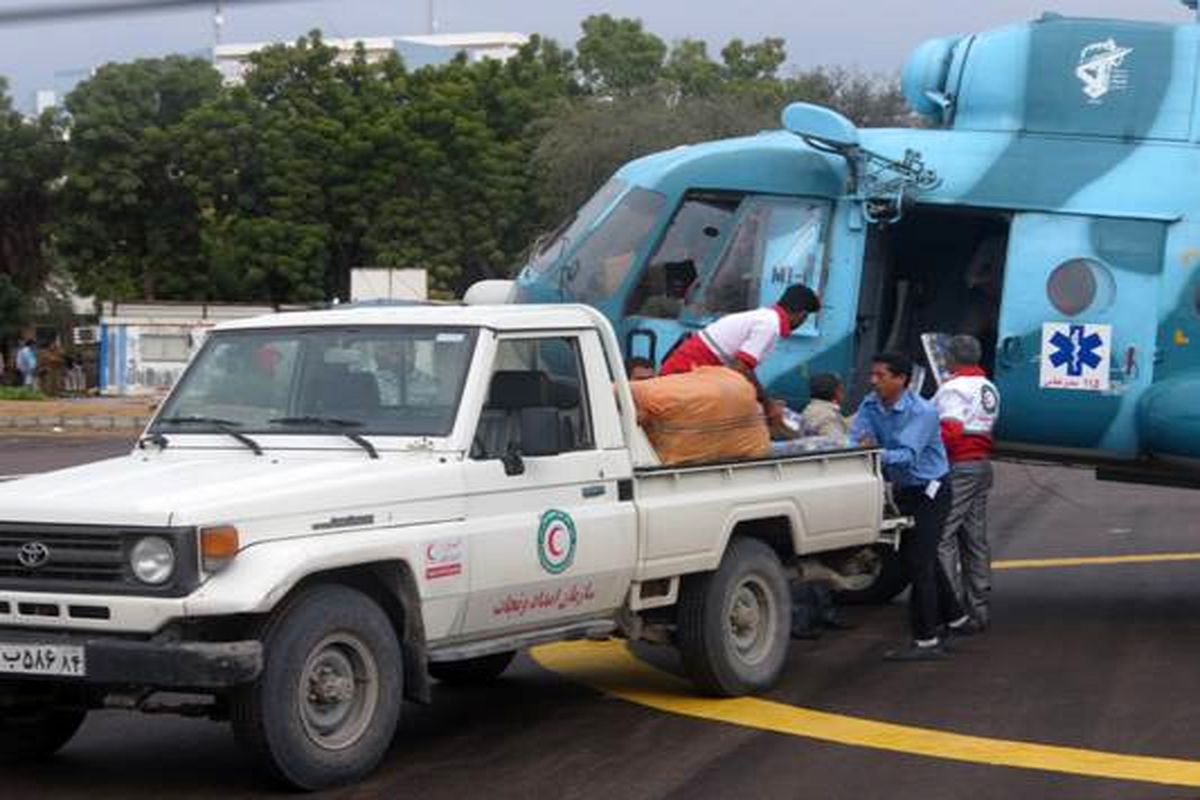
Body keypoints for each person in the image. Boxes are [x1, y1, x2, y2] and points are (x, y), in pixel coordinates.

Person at [850, 352, 971, 661]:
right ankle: (956, 617)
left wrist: (874, 451)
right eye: (873, 375)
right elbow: (857, 437)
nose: (873, 381)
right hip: (904, 489)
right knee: (918, 557)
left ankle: (926, 640)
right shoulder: (870, 404)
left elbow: (906, 455)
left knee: (919, 563)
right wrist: (865, 447)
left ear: (901, 380)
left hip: (931, 492)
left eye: (881, 376)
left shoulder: (922, 412)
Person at [935, 335, 1000, 633]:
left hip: (959, 465)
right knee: (974, 536)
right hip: (982, 465)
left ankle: (951, 607)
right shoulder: (989, 387)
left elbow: (951, 430)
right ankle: (979, 606)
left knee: (943, 535)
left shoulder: (953, 388)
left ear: (951, 358)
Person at [660, 283, 822, 401]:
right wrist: (766, 402)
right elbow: (741, 368)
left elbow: (743, 369)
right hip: (685, 371)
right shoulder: (769, 325)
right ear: (801, 315)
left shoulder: (765, 318)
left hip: (694, 371)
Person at [800, 373, 851, 439]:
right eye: (841, 389)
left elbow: (843, 423)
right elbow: (838, 445)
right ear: (837, 392)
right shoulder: (828, 417)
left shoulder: (809, 410)